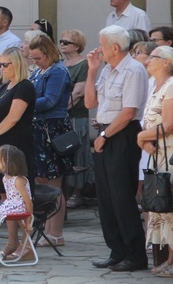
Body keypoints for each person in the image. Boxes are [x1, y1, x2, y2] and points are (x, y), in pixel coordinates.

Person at [85, 25, 148, 272]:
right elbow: (91, 102)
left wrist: (103, 135)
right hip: (105, 131)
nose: (98, 49)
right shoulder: (107, 70)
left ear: (113, 47)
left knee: (122, 196)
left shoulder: (133, 69)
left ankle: (135, 254)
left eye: (101, 44)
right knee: (106, 198)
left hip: (121, 134)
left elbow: (129, 111)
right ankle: (117, 250)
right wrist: (92, 72)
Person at [0, 47, 36, 260]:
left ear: (17, 64)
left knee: (19, 196)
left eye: (6, 64)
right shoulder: (5, 86)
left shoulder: (25, 87)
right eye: (1, 64)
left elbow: (13, 117)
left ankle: (26, 244)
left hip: (15, 146)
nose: (2, 68)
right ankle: (12, 241)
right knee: (5, 196)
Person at [136, 46, 173, 277]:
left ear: (165, 62)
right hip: (159, 155)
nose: (147, 60)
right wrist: (145, 141)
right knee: (165, 208)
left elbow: (168, 126)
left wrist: (141, 137)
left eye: (152, 57)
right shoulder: (156, 86)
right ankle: (171, 256)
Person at [28, 35, 73, 247]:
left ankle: (56, 232)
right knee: (42, 180)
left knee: (54, 182)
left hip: (52, 129)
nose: (35, 62)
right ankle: (47, 228)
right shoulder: (39, 71)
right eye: (33, 58)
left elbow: (50, 100)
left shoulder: (58, 71)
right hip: (39, 129)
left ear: (48, 53)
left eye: (38, 58)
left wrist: (23, 103)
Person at [59, 30, 92, 209]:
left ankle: (77, 191)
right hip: (62, 115)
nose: (62, 44)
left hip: (76, 115)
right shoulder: (60, 63)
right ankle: (65, 189)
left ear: (77, 46)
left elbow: (78, 92)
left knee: (77, 152)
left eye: (67, 42)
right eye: (61, 41)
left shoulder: (83, 65)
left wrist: (60, 110)